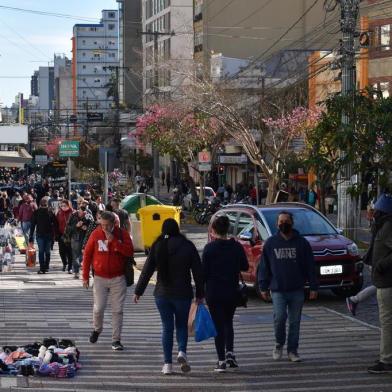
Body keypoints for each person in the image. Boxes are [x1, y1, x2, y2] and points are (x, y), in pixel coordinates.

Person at [134, 219, 204, 375]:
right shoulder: (188, 246)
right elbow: (198, 273)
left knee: (167, 327)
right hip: (183, 294)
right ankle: (181, 352)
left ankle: (167, 364)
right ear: (177, 229)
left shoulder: (157, 246)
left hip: (162, 294)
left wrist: (138, 291)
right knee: (181, 325)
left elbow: (147, 271)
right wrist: (200, 293)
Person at [258, 211, 318, 362]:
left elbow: (310, 266)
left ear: (292, 223)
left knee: (295, 321)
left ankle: (293, 350)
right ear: (277, 224)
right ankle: (279, 344)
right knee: (279, 318)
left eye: (286, 221)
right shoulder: (271, 243)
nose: (283, 224)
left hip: (297, 289)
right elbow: (264, 267)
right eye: (280, 221)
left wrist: (313, 287)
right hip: (277, 289)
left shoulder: (302, 243)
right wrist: (263, 286)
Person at [202, 216, 248, 372]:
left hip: (214, 292)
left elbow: (204, 273)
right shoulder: (236, 247)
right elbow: (245, 266)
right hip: (231, 291)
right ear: (227, 229)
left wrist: (199, 294)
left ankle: (221, 360)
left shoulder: (209, 249)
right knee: (228, 322)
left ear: (213, 231)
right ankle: (230, 353)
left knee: (218, 325)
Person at [82, 211, 133, 351]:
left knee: (117, 310)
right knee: (99, 308)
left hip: (118, 277)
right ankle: (97, 329)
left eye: (107, 225)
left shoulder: (122, 234)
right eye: (102, 225)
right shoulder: (95, 234)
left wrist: (115, 242)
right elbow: (87, 255)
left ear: (113, 224)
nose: (104, 228)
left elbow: (129, 252)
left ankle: (116, 340)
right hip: (100, 277)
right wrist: (85, 276)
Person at [367, 194, 392, 374]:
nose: (373, 213)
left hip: (387, 281)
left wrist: (381, 264)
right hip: (383, 280)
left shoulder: (388, 227)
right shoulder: (382, 226)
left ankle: (387, 360)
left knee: (387, 322)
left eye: (376, 210)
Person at [65, 199, 94, 279]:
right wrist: (76, 226)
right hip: (75, 238)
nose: (82, 214)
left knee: (86, 256)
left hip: (87, 238)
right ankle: (77, 272)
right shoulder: (73, 215)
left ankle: (86, 272)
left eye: (84, 213)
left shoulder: (89, 215)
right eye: (81, 212)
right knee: (75, 255)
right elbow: (68, 228)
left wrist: (87, 228)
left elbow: (93, 226)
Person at [29, 197, 57, 274]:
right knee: (47, 251)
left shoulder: (37, 212)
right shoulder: (50, 212)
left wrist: (31, 236)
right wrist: (55, 234)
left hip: (41, 235)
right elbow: (55, 224)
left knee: (42, 251)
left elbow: (32, 225)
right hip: (47, 234)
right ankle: (46, 267)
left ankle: (42, 268)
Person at [55, 199, 73, 273]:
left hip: (70, 235)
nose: (63, 207)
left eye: (65, 206)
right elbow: (56, 223)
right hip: (61, 234)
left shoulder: (72, 213)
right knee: (61, 251)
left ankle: (70, 267)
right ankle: (64, 263)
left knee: (69, 251)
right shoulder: (59, 213)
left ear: (69, 206)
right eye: (62, 206)